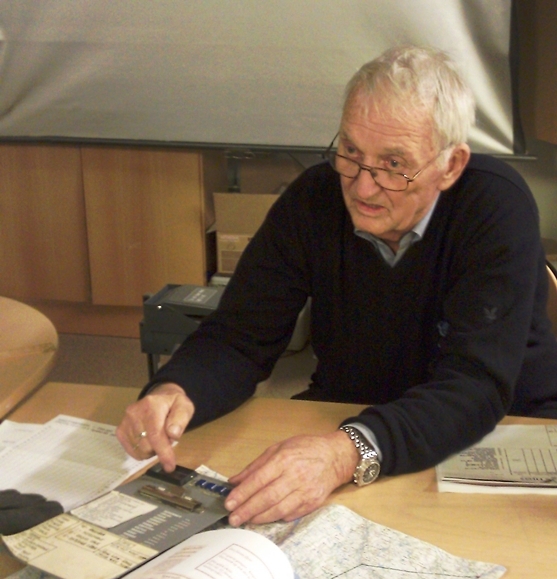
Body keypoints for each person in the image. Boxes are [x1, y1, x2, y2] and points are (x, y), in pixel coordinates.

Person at [117, 45, 557, 528]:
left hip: (497, 432)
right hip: (348, 418)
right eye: (350, 152)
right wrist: (178, 388)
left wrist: (346, 453)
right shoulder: (314, 198)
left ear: (450, 165)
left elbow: (474, 387)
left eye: (394, 164)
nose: (363, 188)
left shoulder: (495, 206)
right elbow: (239, 335)